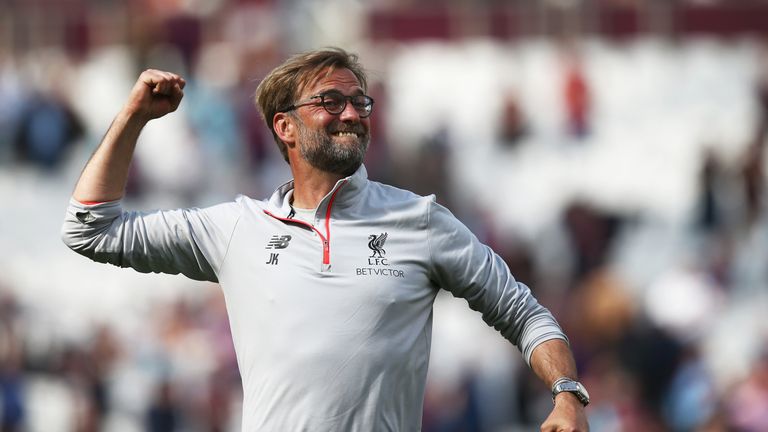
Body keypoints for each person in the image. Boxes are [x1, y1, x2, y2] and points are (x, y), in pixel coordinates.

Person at [61, 47, 590, 431]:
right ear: (285, 127)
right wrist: (132, 118)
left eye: (360, 101)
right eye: (330, 101)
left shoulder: (420, 220)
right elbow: (90, 229)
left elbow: (527, 315)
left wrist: (567, 394)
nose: (353, 113)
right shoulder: (236, 228)